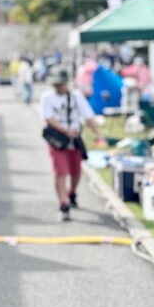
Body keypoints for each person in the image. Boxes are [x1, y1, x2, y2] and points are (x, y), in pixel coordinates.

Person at [42, 67, 105, 221]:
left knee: (76, 170)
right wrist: (64, 130)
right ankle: (63, 203)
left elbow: (88, 116)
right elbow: (48, 118)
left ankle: (72, 192)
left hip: (74, 138)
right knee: (60, 171)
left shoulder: (76, 97)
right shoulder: (48, 97)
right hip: (57, 139)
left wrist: (98, 134)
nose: (58, 88)